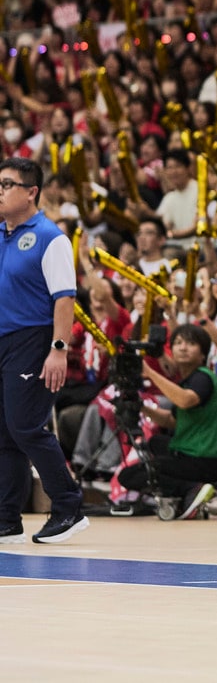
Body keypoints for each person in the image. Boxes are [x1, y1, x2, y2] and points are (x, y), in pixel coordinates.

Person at [0, 156, 88, 544]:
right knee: (3, 433)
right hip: (3, 341)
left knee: (25, 426)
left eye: (7, 185)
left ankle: (69, 507)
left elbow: (64, 299)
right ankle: (6, 519)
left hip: (33, 340)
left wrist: (58, 348)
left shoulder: (52, 238)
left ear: (31, 192)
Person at [119, 323, 217, 520]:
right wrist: (141, 406)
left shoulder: (203, 377)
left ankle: (191, 489)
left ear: (203, 354)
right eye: (178, 343)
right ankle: (182, 492)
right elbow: (172, 421)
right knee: (155, 444)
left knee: (132, 475)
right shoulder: (187, 380)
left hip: (206, 459)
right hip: (194, 453)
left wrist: (150, 373)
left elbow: (185, 400)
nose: (183, 347)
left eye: (191, 343)